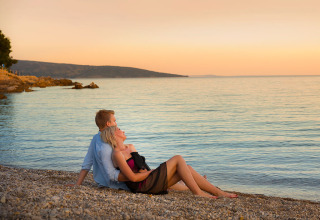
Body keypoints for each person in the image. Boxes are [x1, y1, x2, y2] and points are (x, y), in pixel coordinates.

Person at [101, 126, 238, 199]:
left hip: (150, 179)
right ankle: (198, 192)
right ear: (113, 135)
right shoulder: (117, 154)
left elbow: (143, 166)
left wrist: (155, 173)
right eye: (119, 130)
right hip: (142, 186)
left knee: (187, 169)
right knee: (178, 158)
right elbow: (132, 177)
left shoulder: (130, 147)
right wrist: (154, 172)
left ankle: (219, 192)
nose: (123, 130)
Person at [70, 110, 187, 191]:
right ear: (108, 124)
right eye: (115, 121)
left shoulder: (96, 137)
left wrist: (78, 184)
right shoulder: (106, 145)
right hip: (116, 185)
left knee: (170, 178)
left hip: (107, 181)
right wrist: (139, 175)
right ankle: (188, 183)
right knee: (166, 178)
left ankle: (187, 182)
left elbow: (87, 162)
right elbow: (111, 174)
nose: (116, 124)